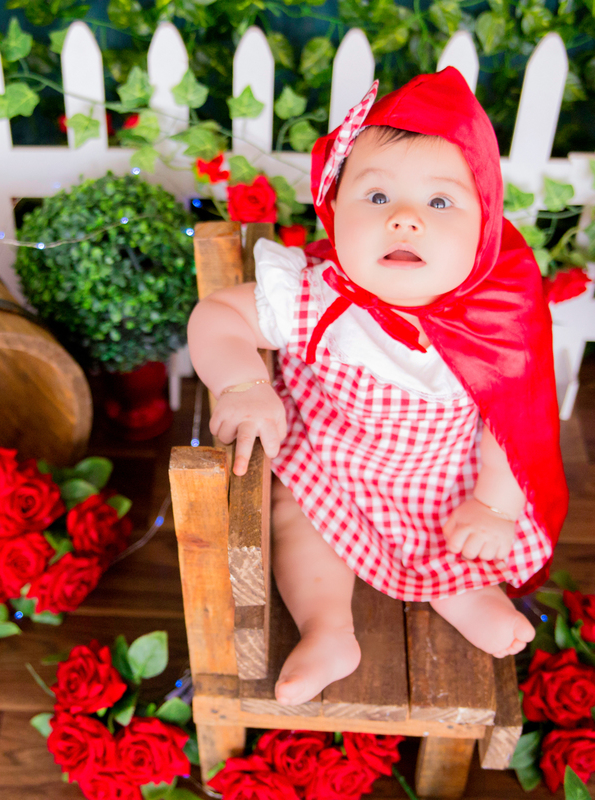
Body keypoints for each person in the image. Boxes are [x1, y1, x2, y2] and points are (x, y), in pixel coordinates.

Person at [186, 68, 569, 706]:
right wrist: (244, 382)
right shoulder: (317, 297)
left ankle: (465, 595)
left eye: (440, 203)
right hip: (330, 467)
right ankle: (328, 629)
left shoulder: (495, 321)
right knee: (296, 521)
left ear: (485, 227)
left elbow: (514, 423)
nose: (405, 220)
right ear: (334, 209)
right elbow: (218, 315)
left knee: (460, 540)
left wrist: (496, 506)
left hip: (441, 483)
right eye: (377, 196)